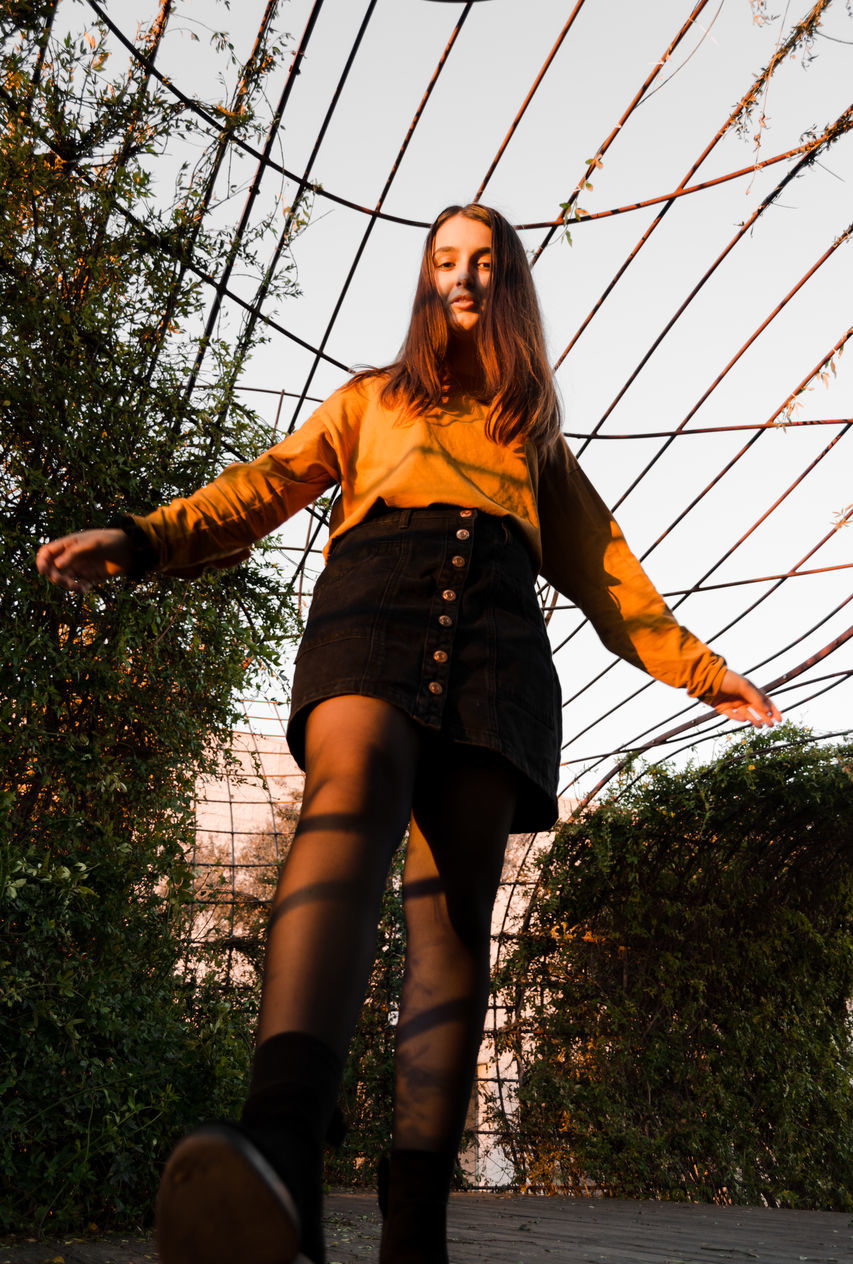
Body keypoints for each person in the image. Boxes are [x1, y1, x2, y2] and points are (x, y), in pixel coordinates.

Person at [36, 203, 780, 1264]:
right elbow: (258, 488)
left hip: (499, 655)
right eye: (443, 260)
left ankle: (413, 1226)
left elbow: (611, 577)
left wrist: (706, 673)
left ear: (507, 283)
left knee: (449, 929)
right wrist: (141, 536)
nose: (461, 276)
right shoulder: (366, 401)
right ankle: (281, 1148)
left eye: (482, 261)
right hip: (370, 615)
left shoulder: (535, 441)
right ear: (425, 280)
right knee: (340, 817)